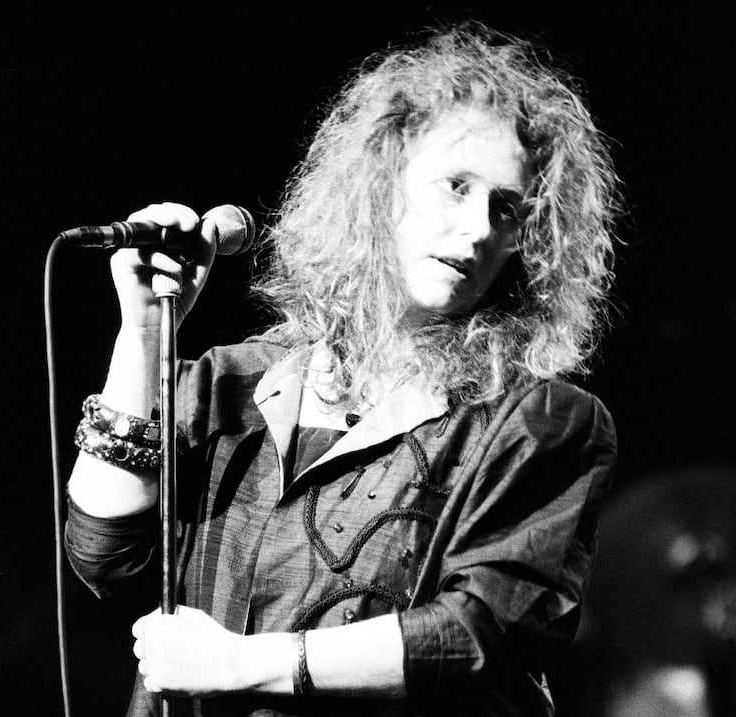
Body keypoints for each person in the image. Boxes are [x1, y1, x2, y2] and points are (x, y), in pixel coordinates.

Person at [64, 21, 620, 717]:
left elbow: (483, 628)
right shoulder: (231, 383)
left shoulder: (535, 421)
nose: (479, 226)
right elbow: (102, 554)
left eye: (506, 209)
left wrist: (242, 664)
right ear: (381, 182)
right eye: (456, 185)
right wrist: (144, 331)